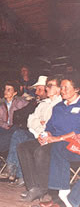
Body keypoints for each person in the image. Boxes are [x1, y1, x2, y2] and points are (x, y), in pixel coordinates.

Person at [0, 76, 54, 187]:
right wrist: (37, 122)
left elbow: (47, 125)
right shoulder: (39, 103)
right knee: (18, 134)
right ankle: (14, 170)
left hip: (43, 136)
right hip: (33, 132)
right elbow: (29, 119)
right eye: (36, 90)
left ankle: (16, 172)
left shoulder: (53, 104)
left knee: (19, 135)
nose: (36, 92)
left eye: (40, 90)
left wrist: (36, 123)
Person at [38, 74, 80, 207]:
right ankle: (59, 194)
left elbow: (78, 130)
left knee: (58, 147)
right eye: (61, 87)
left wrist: (57, 138)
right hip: (62, 144)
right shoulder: (58, 107)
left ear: (77, 89)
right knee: (31, 148)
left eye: (66, 88)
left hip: (74, 145)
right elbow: (50, 126)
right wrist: (46, 134)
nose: (62, 90)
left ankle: (66, 198)